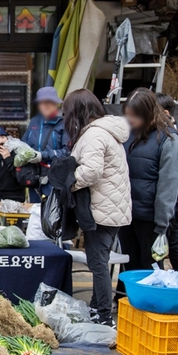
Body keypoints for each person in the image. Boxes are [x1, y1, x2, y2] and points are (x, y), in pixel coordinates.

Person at [65, 89, 132, 327]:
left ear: (78, 112)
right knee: (99, 261)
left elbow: (91, 172)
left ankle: (104, 316)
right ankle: (97, 308)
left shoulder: (94, 135)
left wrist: (68, 181)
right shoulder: (106, 131)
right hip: (112, 208)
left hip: (102, 210)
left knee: (98, 264)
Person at [119, 89, 178, 277]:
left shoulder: (169, 140)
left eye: (134, 116)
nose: (130, 120)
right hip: (127, 214)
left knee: (149, 267)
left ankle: (148, 305)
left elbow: (168, 186)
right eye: (127, 115)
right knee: (128, 265)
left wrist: (162, 224)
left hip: (151, 219)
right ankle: (125, 302)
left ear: (147, 113)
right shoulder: (128, 135)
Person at [156, 93, 178, 273]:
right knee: (173, 241)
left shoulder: (173, 135)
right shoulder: (176, 131)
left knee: (169, 242)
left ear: (165, 112)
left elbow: (176, 174)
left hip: (176, 198)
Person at [22, 86, 70, 201]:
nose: (45, 105)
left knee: (52, 214)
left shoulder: (64, 123)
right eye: (42, 102)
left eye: (49, 102)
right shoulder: (34, 122)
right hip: (35, 178)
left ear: (56, 103)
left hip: (55, 179)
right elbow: (24, 144)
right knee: (35, 212)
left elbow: (67, 152)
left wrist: (42, 156)